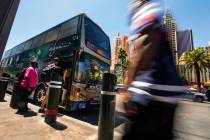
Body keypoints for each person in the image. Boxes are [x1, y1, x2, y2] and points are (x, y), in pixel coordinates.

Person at [122, 0, 187, 139]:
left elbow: (146, 42)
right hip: (171, 96)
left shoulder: (144, 8)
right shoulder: (158, 15)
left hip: (149, 95)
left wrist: (128, 89)